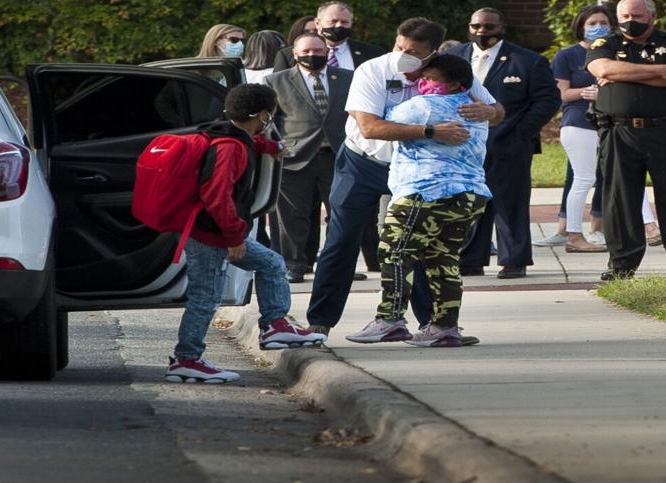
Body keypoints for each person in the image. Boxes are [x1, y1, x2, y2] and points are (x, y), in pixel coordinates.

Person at [302, 17, 503, 336]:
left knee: (421, 244)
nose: (402, 56)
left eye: (413, 52)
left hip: (417, 172)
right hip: (364, 162)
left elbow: (496, 109)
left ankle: (431, 324)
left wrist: (489, 112)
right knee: (341, 240)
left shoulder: (446, 71)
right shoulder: (373, 70)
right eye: (399, 47)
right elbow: (370, 127)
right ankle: (320, 322)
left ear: (432, 53)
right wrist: (429, 131)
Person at [165, 84, 325, 384]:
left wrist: (272, 147)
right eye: (271, 115)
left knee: (271, 264)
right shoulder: (230, 148)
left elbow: (251, 143)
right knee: (205, 297)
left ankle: (275, 326)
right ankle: (186, 359)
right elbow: (217, 196)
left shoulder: (229, 135)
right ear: (263, 115)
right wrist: (234, 237)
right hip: (212, 235)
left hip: (213, 232)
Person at [346, 54, 490, 348]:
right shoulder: (477, 111)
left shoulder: (421, 106)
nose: (422, 83)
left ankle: (390, 320)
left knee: (394, 252)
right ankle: (445, 327)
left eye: (430, 78)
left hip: (423, 191)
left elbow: (374, 126)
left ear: (454, 84)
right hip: (469, 195)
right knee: (444, 259)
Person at [585, 0, 666, 281]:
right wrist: (659, 70)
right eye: (624, 15)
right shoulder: (606, 43)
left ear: (652, 16)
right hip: (619, 131)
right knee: (620, 199)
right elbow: (602, 69)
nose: (629, 20)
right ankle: (622, 265)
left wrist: (622, 75)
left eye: (636, 15)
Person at [452, 7, 560, 280]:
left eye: (489, 27)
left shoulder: (527, 60)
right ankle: (470, 259)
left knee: (510, 203)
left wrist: (522, 132)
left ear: (501, 28)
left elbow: (548, 100)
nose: (481, 31)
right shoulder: (452, 58)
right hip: (463, 146)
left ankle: (514, 259)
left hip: (509, 143)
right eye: (476, 26)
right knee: (469, 201)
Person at [546, 4, 655, 252]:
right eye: (592, 23)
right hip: (579, 123)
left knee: (627, 172)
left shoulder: (617, 51)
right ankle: (574, 235)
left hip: (614, 120)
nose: (598, 27)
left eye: (603, 23)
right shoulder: (567, 55)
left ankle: (650, 226)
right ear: (581, 27)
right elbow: (562, 94)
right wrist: (586, 92)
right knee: (584, 178)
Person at [265, 33, 349, 283]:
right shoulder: (275, 81)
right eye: (306, 51)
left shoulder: (348, 78)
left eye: (318, 51)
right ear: (294, 54)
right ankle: (294, 265)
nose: (312, 55)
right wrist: (275, 147)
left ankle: (335, 264)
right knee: (292, 216)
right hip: (293, 158)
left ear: (327, 52)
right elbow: (268, 121)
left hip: (338, 155)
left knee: (341, 213)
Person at [272, 3, 385, 73]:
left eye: (345, 22)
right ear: (317, 23)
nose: (339, 25)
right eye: (333, 21)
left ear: (351, 23)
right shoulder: (287, 55)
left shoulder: (373, 54)